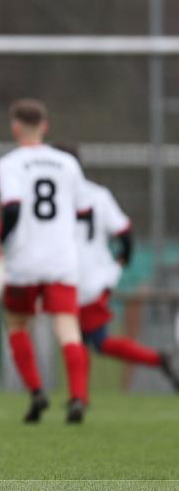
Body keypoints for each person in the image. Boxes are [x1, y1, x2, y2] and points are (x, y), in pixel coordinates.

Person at [0, 99, 91, 424]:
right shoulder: (67, 163)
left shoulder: (9, 164)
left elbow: (12, 208)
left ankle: (37, 391)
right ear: (45, 126)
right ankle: (77, 396)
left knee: (17, 323)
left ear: (15, 127)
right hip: (62, 259)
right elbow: (83, 211)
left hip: (25, 260)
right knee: (67, 327)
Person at [54, 144, 179, 390]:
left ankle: (79, 397)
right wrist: (119, 262)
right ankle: (80, 396)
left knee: (83, 339)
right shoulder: (98, 194)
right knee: (85, 339)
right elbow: (125, 234)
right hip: (91, 279)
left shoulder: (59, 199)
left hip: (77, 280)